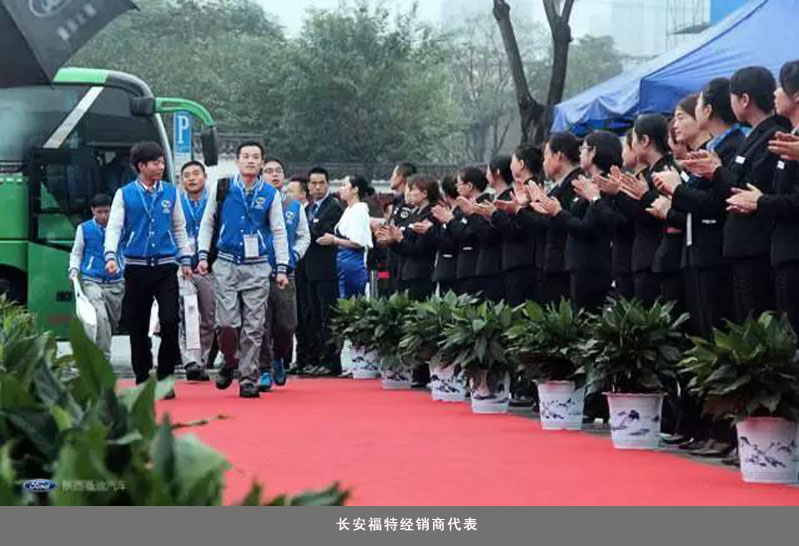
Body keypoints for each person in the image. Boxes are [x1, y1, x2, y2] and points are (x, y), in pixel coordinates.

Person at [682, 66, 792, 322]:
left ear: (744, 100)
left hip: (757, 246)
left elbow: (747, 188)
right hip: (742, 247)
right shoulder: (753, 136)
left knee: (761, 324)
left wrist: (716, 171)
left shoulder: (773, 135)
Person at [196, 141, 290, 399]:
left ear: (261, 163)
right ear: (237, 161)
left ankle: (248, 378)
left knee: (254, 326)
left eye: (255, 157)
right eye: (246, 156)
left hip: (258, 265)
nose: (250, 160)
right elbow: (207, 223)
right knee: (227, 324)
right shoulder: (223, 187)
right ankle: (230, 360)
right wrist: (202, 255)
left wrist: (281, 267)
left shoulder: (269, 194)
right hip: (226, 263)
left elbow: (279, 230)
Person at [654, 83, 743, 339]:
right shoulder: (712, 149)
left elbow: (715, 202)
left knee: (717, 332)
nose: (675, 125)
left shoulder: (731, 146)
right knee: (703, 333)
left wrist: (675, 191)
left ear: (707, 110)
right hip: (697, 254)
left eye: (681, 116)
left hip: (715, 250)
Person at [104, 141, 193, 398]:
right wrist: (111, 255)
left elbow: (179, 227)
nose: (161, 167)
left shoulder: (171, 193)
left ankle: (165, 377)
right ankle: (142, 376)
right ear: (141, 166)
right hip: (136, 268)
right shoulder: (125, 194)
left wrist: (185, 259)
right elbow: (114, 227)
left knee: (170, 321)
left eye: (162, 162)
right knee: (138, 326)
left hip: (165, 267)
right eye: (156, 163)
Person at [726, 61, 799, 332]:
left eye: (780, 87)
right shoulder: (789, 137)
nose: (775, 93)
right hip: (780, 253)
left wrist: (760, 201)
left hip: (783, 251)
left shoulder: (776, 136)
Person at [533, 131, 619, 312]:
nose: (580, 153)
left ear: (593, 153)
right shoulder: (588, 184)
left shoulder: (603, 186)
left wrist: (557, 212)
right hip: (578, 264)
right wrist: (550, 211)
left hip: (592, 265)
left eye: (584, 149)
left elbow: (586, 228)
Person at [258, 159, 311, 392]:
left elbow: (304, 236)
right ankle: (264, 369)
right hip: (258, 272)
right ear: (261, 176)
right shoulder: (255, 203)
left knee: (287, 325)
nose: (274, 175)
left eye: (278, 171)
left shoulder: (293, 205)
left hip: (285, 274)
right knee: (261, 325)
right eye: (269, 171)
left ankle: (280, 357)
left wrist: (295, 254)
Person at [518, 136, 579, 305]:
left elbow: (557, 221)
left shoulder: (575, 184)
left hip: (564, 262)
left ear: (558, 156)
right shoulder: (558, 187)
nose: (543, 163)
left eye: (546, 157)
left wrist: (521, 210)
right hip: (553, 262)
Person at [69, 193, 124, 362]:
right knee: (101, 317)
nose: (104, 216)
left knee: (112, 321)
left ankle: (99, 348)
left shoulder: (120, 227)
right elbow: (77, 252)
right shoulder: (84, 229)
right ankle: (103, 358)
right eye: (100, 212)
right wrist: (74, 269)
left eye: (107, 211)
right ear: (93, 211)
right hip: (92, 280)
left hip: (117, 282)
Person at [299, 167, 344, 377]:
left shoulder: (333, 207)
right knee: (314, 317)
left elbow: (318, 233)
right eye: (313, 183)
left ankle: (331, 362)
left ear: (327, 184)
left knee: (328, 317)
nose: (317, 187)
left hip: (327, 271)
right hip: (309, 270)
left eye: (321, 183)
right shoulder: (308, 208)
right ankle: (317, 358)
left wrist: (306, 232)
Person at [178, 160, 216, 381]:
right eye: (187, 175)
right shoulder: (176, 202)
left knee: (209, 318)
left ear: (204, 177)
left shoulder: (215, 201)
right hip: (183, 268)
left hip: (209, 268)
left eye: (195, 174)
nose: (191, 178)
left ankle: (202, 360)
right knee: (187, 315)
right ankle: (190, 360)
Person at [483, 156, 537, 306]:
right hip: (504, 262)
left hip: (519, 260)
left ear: (497, 172)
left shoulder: (511, 196)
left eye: (488, 170)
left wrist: (494, 215)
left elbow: (514, 229)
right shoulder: (496, 197)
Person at [431, 167, 491, 298]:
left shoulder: (483, 205)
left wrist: (450, 220)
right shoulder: (464, 207)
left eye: (459, 184)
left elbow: (468, 235)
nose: (457, 188)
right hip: (462, 268)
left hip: (475, 267)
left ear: (469, 186)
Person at [382, 174, 439, 301]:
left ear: (424, 193)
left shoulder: (430, 215)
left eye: (413, 189)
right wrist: (392, 240)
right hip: (404, 271)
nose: (409, 193)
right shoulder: (415, 214)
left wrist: (400, 239)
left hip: (420, 273)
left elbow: (420, 248)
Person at [318, 175, 374, 299]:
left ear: (355, 190)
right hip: (343, 263)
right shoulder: (349, 210)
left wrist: (335, 240)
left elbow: (358, 243)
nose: (341, 189)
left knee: (354, 300)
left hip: (354, 264)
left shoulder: (359, 210)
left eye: (344, 185)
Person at [380, 162, 417, 293]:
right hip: (390, 259)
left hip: (402, 260)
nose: (390, 179)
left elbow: (404, 230)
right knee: (386, 288)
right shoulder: (396, 202)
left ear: (400, 177)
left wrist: (390, 237)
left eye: (393, 175)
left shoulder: (407, 204)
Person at [430, 175, 460, 295]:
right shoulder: (448, 212)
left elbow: (452, 241)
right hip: (445, 270)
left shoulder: (458, 213)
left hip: (454, 269)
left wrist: (431, 231)